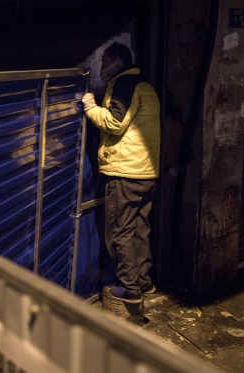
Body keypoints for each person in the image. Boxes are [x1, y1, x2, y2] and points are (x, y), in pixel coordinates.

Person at [81, 42, 160, 316]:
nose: (101, 68)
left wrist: (90, 107)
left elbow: (115, 123)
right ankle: (144, 282)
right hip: (146, 172)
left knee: (120, 232)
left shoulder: (124, 85)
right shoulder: (145, 85)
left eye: (104, 63)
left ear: (116, 62)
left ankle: (130, 290)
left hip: (125, 173)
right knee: (140, 229)